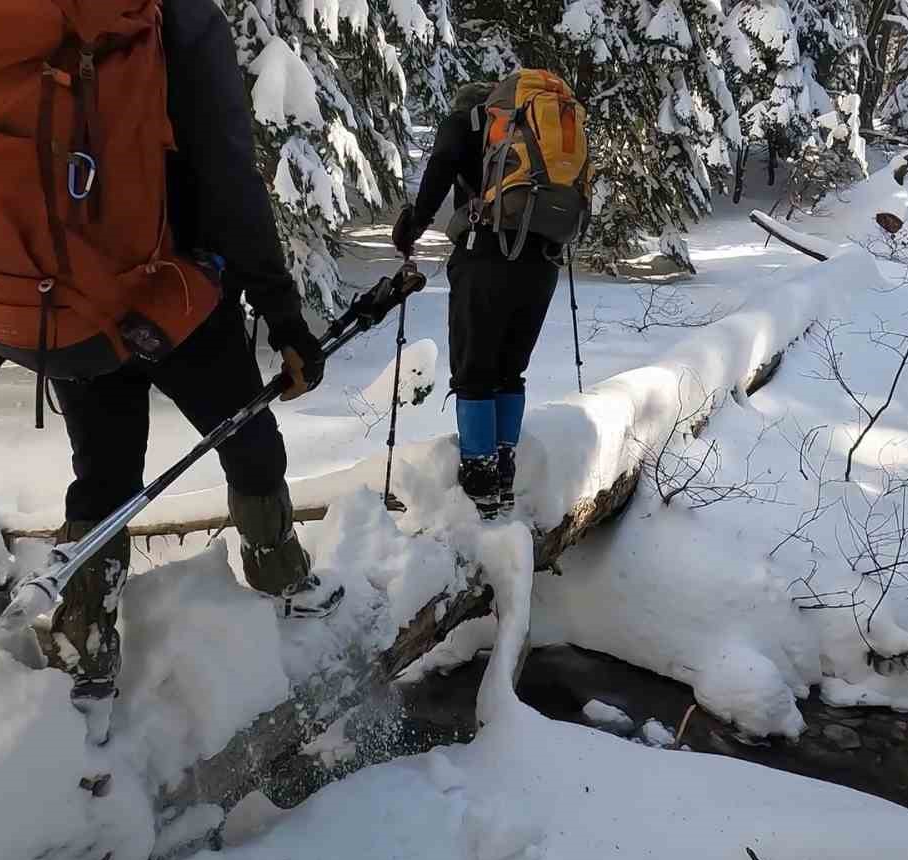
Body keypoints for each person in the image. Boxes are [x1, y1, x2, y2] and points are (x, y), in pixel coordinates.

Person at [41, 0, 337, 727]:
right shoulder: (173, 17)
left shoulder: (24, 19)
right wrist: (283, 315)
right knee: (250, 441)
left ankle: (82, 649)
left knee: (104, 473)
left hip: (63, 296)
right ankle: (281, 581)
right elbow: (229, 178)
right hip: (172, 296)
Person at [390, 81, 563, 519]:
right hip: (541, 261)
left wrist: (413, 224)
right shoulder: (538, 131)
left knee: (474, 372)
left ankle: (480, 479)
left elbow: (442, 164)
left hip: (485, 256)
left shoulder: (465, 121)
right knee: (510, 370)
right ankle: (504, 469)